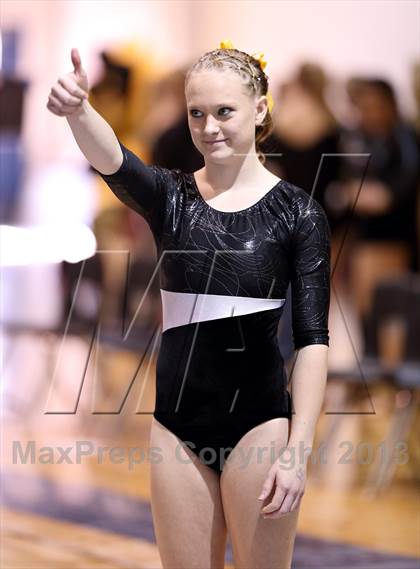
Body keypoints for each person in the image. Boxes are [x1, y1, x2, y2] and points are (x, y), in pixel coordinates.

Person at [47, 41, 331, 569]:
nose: (209, 127)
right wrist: (80, 110)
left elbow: (314, 340)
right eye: (196, 113)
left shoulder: (299, 214)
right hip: (176, 426)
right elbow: (115, 161)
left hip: (261, 425)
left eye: (225, 111)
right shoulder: (171, 198)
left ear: (260, 110)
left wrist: (298, 451)